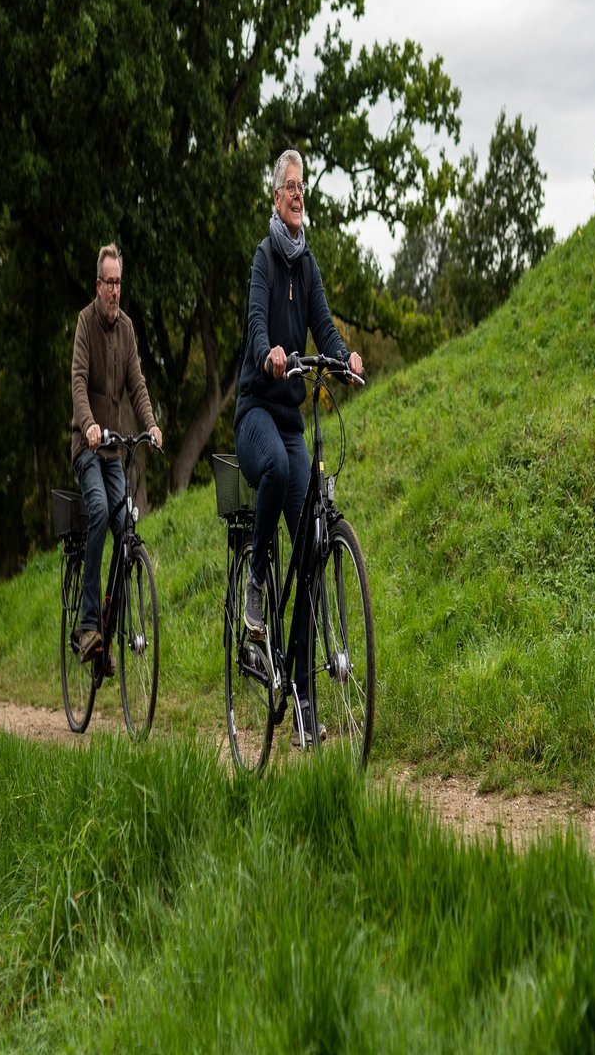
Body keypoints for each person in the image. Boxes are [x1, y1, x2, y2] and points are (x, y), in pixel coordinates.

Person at [233, 149, 364, 744]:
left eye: (303, 186)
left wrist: (345, 357)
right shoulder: (265, 259)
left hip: (292, 414)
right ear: (275, 196)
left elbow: (325, 325)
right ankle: (256, 582)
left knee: (311, 549)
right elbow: (258, 322)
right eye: (289, 186)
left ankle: (304, 702)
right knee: (281, 472)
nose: (297, 194)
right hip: (258, 408)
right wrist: (268, 352)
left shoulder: (306, 262)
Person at [70, 243, 161, 663]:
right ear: (97, 285)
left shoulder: (126, 329)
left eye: (119, 283)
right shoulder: (85, 323)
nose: (114, 290)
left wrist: (151, 424)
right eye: (108, 283)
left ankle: (108, 622)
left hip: (114, 451)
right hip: (87, 447)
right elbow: (78, 381)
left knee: (126, 528)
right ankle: (88, 626)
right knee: (100, 507)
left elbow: (138, 385)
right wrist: (88, 425)